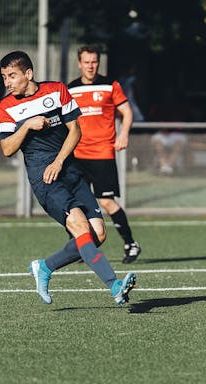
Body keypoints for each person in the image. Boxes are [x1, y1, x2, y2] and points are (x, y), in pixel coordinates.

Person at [0, 51, 136, 305]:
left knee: (98, 234)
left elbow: (75, 130)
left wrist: (60, 160)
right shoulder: (5, 107)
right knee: (81, 227)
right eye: (4, 77)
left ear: (28, 74)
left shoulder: (57, 90)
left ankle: (45, 268)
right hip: (44, 177)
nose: (7, 82)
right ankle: (115, 285)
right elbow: (6, 148)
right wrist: (26, 125)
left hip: (70, 169)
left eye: (12, 76)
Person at [67, 45, 141, 264]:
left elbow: (127, 112)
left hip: (102, 153)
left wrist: (124, 134)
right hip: (77, 154)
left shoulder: (110, 85)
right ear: (79, 63)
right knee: (76, 203)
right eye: (86, 62)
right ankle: (81, 247)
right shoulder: (70, 90)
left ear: (98, 63)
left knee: (106, 202)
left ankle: (131, 244)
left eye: (94, 62)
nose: (90, 66)